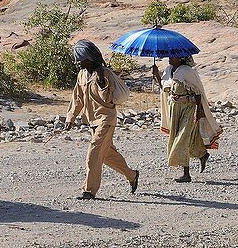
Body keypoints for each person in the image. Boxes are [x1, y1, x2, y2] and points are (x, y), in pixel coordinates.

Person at [65, 39, 139, 201]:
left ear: (89, 59)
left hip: (106, 120)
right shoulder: (82, 75)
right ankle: (132, 175)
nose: (79, 63)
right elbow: (77, 98)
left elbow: (109, 100)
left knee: (93, 153)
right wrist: (71, 117)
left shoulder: (105, 74)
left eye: (81, 60)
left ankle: (89, 191)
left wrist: (101, 82)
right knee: (107, 156)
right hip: (92, 121)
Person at [153, 55, 222, 182]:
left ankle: (186, 174)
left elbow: (197, 93)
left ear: (180, 58)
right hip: (174, 109)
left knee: (182, 138)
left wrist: (200, 111)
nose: (170, 58)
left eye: (173, 56)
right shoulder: (169, 70)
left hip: (188, 110)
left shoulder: (187, 71)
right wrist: (157, 75)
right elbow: (165, 89)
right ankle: (202, 154)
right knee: (182, 137)